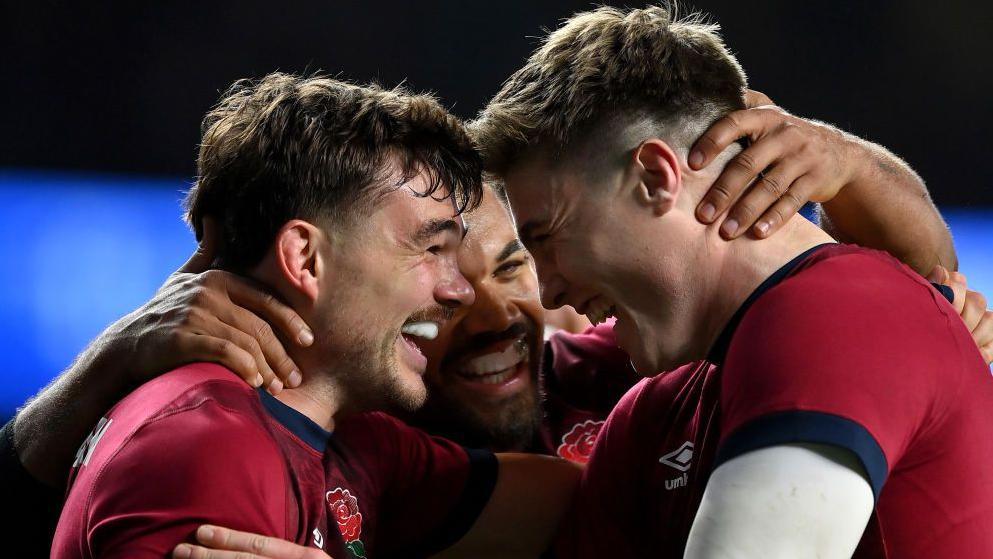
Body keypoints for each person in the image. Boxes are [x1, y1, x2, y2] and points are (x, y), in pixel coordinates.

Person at [5, 87, 993, 559]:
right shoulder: (305, 438)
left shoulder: (627, 383)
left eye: (515, 258)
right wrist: (122, 356)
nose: (467, 300)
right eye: (435, 259)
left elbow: (913, 291)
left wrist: (850, 166)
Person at [471, 5, 993, 558]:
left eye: (547, 237)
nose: (548, 292)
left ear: (656, 178)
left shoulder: (838, 314)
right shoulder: (650, 415)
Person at [47, 73, 579, 559]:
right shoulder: (211, 446)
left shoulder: (355, 436)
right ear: (305, 259)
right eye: (431, 249)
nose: (460, 292)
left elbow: (577, 500)